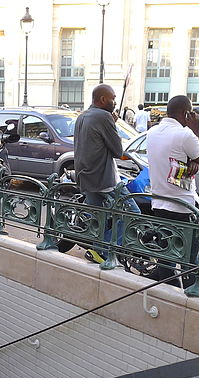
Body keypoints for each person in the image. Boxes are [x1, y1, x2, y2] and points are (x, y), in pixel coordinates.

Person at [146, 94, 199, 286]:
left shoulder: (152, 132)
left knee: (166, 256)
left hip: (159, 203)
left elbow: (171, 157)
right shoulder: (185, 134)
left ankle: (168, 298)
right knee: (190, 261)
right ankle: (191, 297)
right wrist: (197, 129)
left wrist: (190, 162)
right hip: (183, 206)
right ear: (186, 113)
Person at [74, 84, 140, 264]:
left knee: (100, 217)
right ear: (103, 99)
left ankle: (97, 249)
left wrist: (113, 122)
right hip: (103, 178)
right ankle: (103, 249)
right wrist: (113, 124)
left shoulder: (83, 116)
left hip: (85, 176)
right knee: (133, 213)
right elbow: (118, 150)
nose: (115, 102)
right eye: (113, 98)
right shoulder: (103, 117)